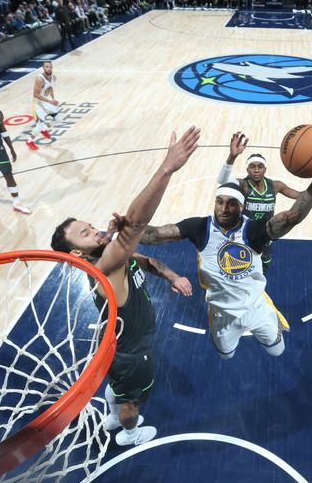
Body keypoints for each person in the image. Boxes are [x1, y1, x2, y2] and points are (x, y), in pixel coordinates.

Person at [50, 126, 200, 446]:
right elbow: (136, 226)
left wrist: (171, 276)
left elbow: (141, 259)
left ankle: (113, 415)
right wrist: (167, 167)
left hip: (117, 347)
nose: (95, 231)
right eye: (85, 233)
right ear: (77, 253)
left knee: (117, 389)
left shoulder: (108, 257)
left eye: (91, 226)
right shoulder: (107, 265)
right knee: (133, 400)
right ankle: (129, 433)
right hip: (131, 355)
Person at [141, 138, 312, 360]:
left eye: (231, 203)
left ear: (241, 206)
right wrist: (127, 228)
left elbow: (295, 215)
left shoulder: (254, 230)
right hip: (222, 317)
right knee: (226, 355)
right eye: (219, 201)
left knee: (278, 350)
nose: (224, 208)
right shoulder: (199, 227)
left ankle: (264, 308)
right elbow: (153, 235)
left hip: (256, 310)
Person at [216, 132, 300, 273]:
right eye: (252, 166)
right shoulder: (244, 185)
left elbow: (299, 196)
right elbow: (222, 180)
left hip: (266, 231)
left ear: (265, 169)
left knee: (264, 265)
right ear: (247, 169)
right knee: (240, 267)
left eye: (260, 166)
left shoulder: (275, 186)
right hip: (245, 233)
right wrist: (233, 156)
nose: (256, 170)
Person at [27, 61, 58, 151]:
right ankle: (29, 141)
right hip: (37, 103)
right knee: (39, 125)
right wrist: (50, 101)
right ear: (43, 68)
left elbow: (51, 88)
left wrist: (53, 99)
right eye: (47, 67)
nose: (49, 68)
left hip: (45, 101)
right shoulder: (39, 79)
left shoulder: (54, 78)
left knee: (58, 116)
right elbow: (35, 94)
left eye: (50, 67)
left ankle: (44, 129)